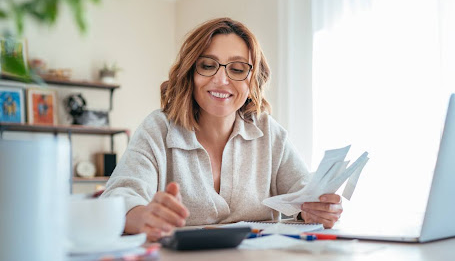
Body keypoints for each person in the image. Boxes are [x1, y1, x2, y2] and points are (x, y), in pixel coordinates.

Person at [102, 18, 343, 242]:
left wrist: (317, 211)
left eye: (237, 69)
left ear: (252, 81)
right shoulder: (158, 129)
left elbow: (303, 195)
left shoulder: (269, 132)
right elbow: (118, 198)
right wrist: (143, 216)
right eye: (207, 65)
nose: (221, 79)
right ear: (190, 73)